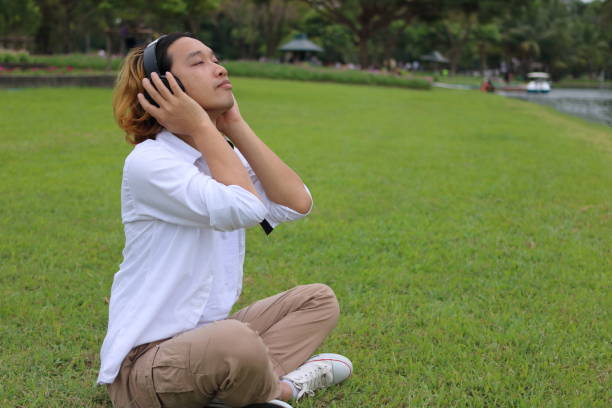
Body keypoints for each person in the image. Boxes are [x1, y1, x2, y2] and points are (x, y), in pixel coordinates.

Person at [97, 32, 352, 408]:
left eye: (215, 59)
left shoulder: (218, 156)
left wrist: (232, 124)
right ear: (164, 88)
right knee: (236, 341)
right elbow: (246, 208)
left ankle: (248, 389)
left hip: (208, 343)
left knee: (317, 300)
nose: (219, 68)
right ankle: (281, 389)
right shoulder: (150, 162)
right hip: (145, 368)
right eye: (198, 62)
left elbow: (297, 203)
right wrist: (202, 125)